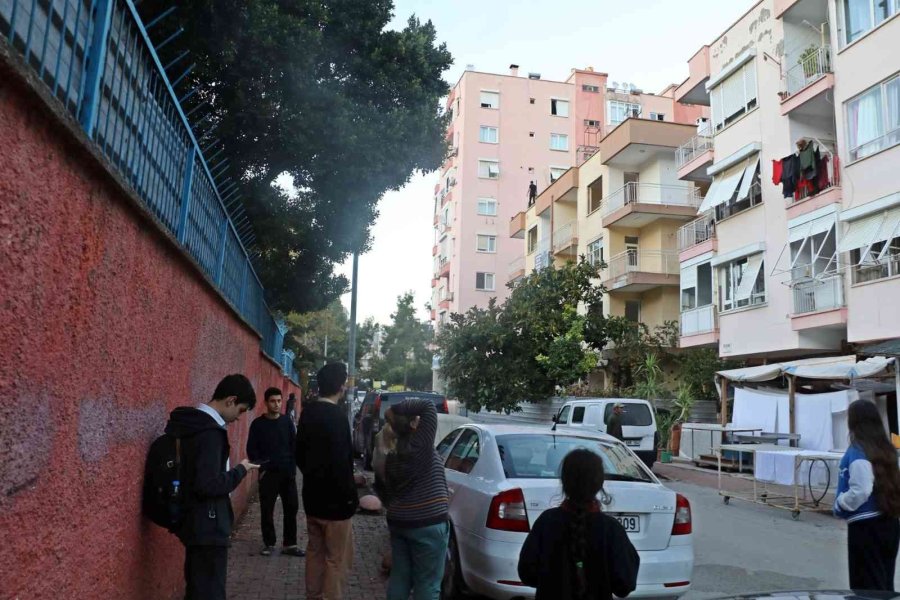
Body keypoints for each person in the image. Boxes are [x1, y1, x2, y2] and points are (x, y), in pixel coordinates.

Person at [165, 374, 260, 600]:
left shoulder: (190, 424)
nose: (238, 418)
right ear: (230, 400)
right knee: (209, 591)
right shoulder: (210, 434)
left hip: (193, 523)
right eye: (240, 410)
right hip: (209, 526)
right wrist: (241, 470)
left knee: (198, 588)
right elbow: (208, 484)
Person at [518, 449, 639, 600]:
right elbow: (625, 585)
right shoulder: (611, 530)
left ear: (564, 482)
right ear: (599, 483)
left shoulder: (546, 522)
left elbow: (527, 573)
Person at [296, 363, 359, 600]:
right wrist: (352, 499)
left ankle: (312, 596)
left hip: (312, 498)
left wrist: (313, 476)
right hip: (337, 504)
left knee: (314, 552)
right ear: (340, 386)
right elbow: (344, 462)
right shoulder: (339, 417)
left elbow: (299, 454)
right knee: (336, 560)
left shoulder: (308, 413)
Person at [383, 399, 450, 600]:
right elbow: (428, 405)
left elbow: (389, 492)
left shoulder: (392, 456)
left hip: (399, 521)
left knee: (400, 578)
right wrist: (394, 408)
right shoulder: (421, 446)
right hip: (427, 523)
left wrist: (393, 415)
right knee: (427, 585)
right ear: (413, 424)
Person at [833, 400, 900, 592]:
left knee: (865, 587)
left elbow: (861, 490)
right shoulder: (886, 449)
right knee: (882, 583)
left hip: (865, 527)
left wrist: (840, 504)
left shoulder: (857, 451)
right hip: (888, 523)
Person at [247, 387, 304, 557]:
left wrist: (293, 468)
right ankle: (269, 543)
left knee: (291, 508)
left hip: (287, 474)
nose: (277, 404)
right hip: (268, 475)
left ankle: (290, 544)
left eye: (279, 401)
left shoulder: (287, 422)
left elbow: (294, 445)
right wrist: (262, 468)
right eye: (273, 401)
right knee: (267, 510)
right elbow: (252, 450)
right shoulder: (258, 424)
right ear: (266, 403)